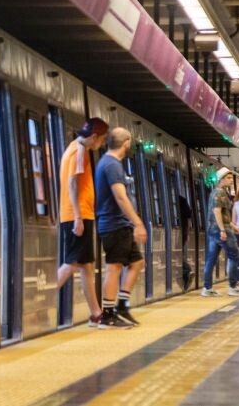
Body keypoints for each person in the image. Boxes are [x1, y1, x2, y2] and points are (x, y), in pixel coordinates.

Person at [56, 117, 108, 327]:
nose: (102, 144)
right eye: (102, 140)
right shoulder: (80, 151)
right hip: (78, 215)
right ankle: (40, 302)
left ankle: (96, 313)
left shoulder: (71, 147)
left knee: (87, 266)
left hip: (78, 214)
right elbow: (72, 184)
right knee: (71, 263)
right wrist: (78, 217)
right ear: (94, 137)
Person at [95, 127, 147, 329]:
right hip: (114, 224)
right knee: (115, 267)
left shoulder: (112, 164)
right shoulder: (111, 165)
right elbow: (120, 196)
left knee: (137, 263)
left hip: (120, 224)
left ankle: (122, 305)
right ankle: (107, 315)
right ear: (126, 143)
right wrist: (138, 223)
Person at [202, 167, 239, 297]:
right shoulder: (220, 193)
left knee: (211, 259)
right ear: (221, 180)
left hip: (214, 230)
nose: (231, 180)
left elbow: (223, 214)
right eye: (229, 178)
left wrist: (232, 225)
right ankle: (233, 286)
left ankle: (207, 288)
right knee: (234, 255)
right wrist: (223, 230)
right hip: (220, 229)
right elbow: (217, 211)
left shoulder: (216, 192)